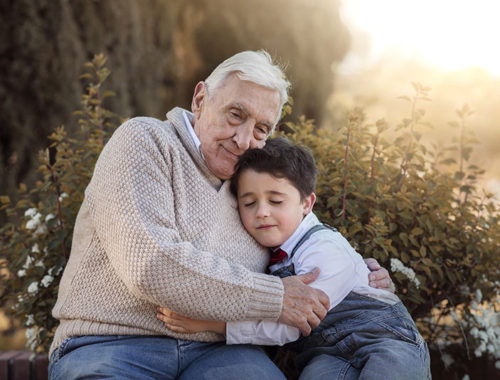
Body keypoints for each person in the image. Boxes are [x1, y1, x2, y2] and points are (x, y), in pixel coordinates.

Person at [48, 50, 394, 379]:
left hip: (219, 351)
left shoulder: (251, 186)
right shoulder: (145, 140)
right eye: (236, 115)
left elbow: (301, 244)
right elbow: (150, 265)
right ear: (200, 100)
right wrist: (274, 297)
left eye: (261, 129)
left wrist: (361, 278)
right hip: (111, 343)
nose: (244, 140)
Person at [157, 138, 431, 379]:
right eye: (249, 203)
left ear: (306, 204)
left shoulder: (323, 248)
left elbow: (291, 324)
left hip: (385, 340)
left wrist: (211, 325)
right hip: (326, 353)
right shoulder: (269, 252)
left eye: (276, 201)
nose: (262, 212)